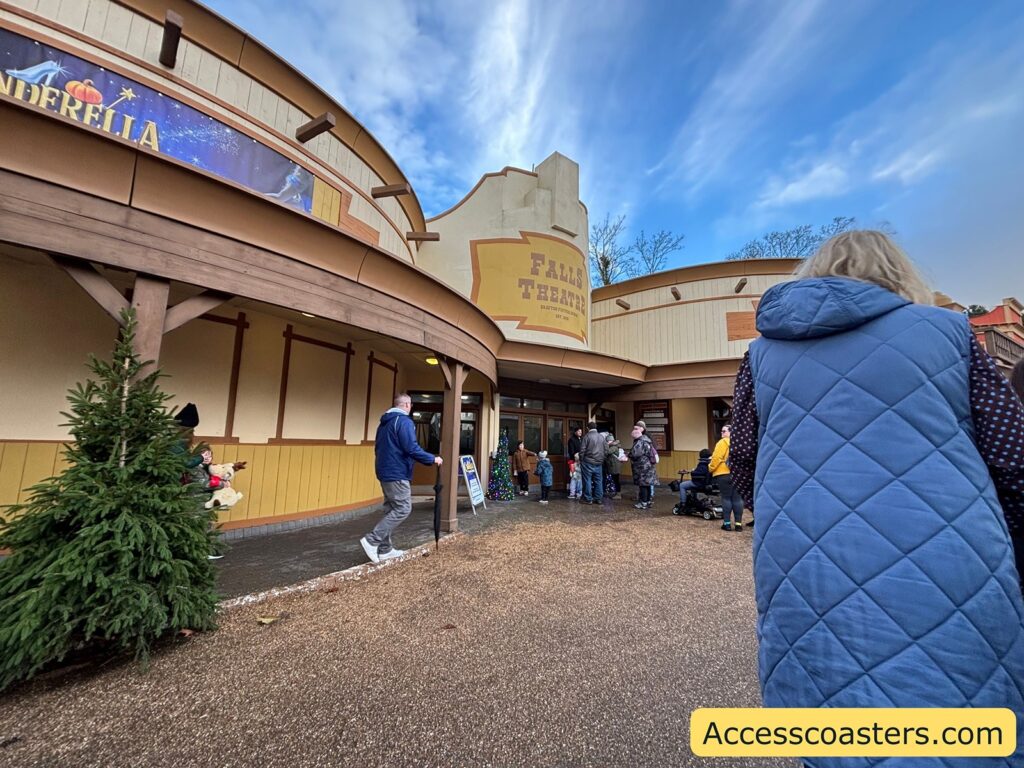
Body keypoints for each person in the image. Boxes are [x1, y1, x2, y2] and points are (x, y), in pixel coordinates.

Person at [730, 230, 1024, 763]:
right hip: (951, 558)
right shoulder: (950, 333)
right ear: (898, 273)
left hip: (803, 563)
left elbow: (744, 460)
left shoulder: (760, 356)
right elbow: (1013, 459)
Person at [361, 393, 442, 564]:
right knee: (403, 508)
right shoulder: (404, 422)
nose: (411, 407)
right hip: (397, 472)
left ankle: (385, 549)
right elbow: (411, 448)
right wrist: (432, 459)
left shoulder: (384, 423)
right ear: (406, 404)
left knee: (391, 509)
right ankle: (372, 540)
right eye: (410, 404)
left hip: (384, 470)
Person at [173, 402, 246, 560]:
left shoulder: (193, 457)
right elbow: (198, 478)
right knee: (199, 523)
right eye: (191, 431)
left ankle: (202, 550)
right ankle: (200, 551)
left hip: (195, 496)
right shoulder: (180, 447)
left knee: (203, 523)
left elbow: (217, 471)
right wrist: (222, 484)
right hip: (194, 498)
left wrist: (232, 468)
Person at [709, 425, 742, 531]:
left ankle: (727, 524)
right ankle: (738, 524)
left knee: (726, 498)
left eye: (724, 431)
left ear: (730, 432)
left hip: (724, 473)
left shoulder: (722, 442)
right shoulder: (741, 443)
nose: (721, 433)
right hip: (738, 473)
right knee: (737, 499)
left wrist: (710, 468)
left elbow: (716, 458)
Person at [628, 423, 657, 509]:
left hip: (642, 467)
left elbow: (635, 453)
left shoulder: (640, 442)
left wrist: (628, 455)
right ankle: (648, 501)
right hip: (649, 466)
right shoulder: (647, 440)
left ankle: (643, 503)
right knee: (647, 484)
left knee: (643, 485)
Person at [578, 422, 606, 504]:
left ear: (587, 428)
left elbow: (582, 450)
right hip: (599, 462)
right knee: (598, 481)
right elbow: (606, 450)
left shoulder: (586, 437)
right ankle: (598, 498)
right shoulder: (601, 437)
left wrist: (581, 459)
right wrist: (602, 459)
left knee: (587, 480)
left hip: (587, 462)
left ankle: (588, 498)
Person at [604, 434, 622, 499]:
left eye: (608, 441)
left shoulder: (613, 447)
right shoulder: (613, 446)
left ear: (611, 440)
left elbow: (607, 452)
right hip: (613, 465)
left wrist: (605, 446)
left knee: (616, 480)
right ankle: (617, 493)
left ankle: (618, 494)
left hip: (614, 466)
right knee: (615, 480)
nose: (607, 442)